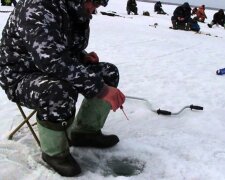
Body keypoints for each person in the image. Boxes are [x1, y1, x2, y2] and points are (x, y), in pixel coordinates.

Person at [0, 0, 125, 177]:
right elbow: (50, 59)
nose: (94, 9)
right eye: (93, 3)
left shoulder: (71, 9)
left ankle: (85, 132)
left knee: (108, 73)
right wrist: (102, 90)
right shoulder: (37, 6)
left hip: (49, 68)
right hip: (20, 74)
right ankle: (54, 153)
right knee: (59, 90)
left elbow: (62, 46)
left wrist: (82, 56)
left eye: (98, 5)